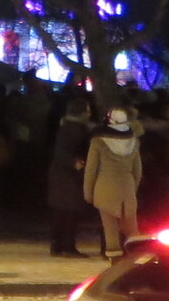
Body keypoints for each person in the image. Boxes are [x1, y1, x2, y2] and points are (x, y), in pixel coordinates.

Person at [85, 106, 144, 259]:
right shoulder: (134, 142)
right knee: (131, 228)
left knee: (110, 228)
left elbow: (91, 170)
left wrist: (88, 193)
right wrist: (132, 188)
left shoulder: (98, 142)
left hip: (105, 188)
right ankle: (136, 258)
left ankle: (114, 258)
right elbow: (137, 171)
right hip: (127, 187)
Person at [49, 94, 93, 257]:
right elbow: (62, 151)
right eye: (87, 110)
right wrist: (75, 163)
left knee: (61, 211)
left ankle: (57, 244)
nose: (89, 113)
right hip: (69, 175)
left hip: (61, 174)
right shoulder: (76, 129)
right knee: (70, 211)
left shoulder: (66, 126)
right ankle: (67, 245)